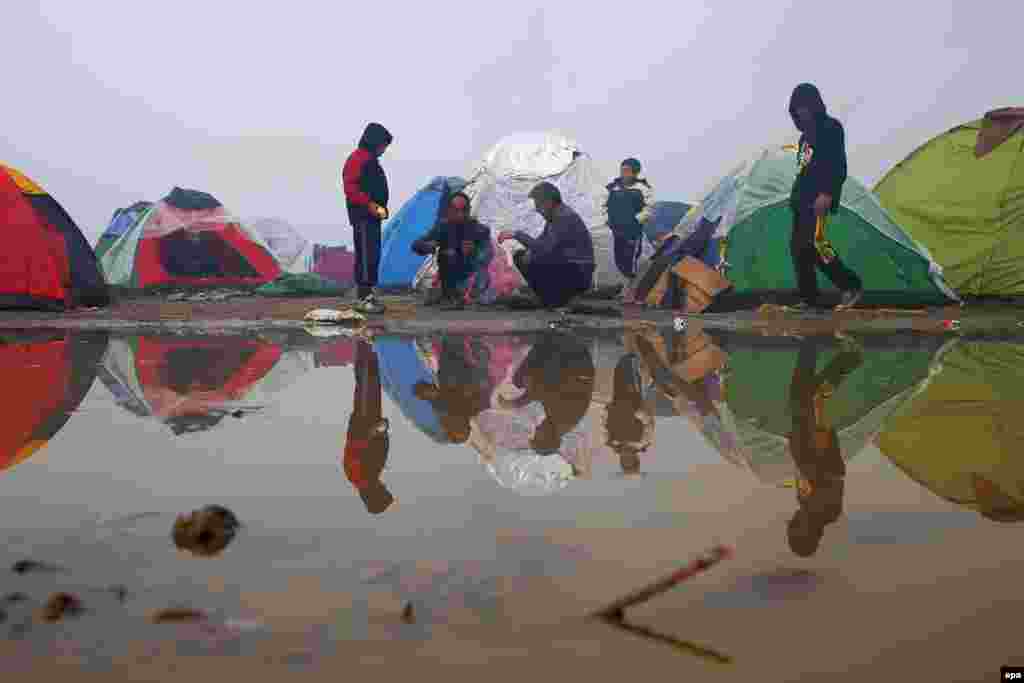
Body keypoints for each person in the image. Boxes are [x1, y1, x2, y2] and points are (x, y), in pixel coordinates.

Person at [785, 333, 863, 556]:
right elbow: (828, 468)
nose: (790, 523)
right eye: (793, 528)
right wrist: (819, 417)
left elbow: (803, 468)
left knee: (801, 390)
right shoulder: (825, 510)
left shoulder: (806, 504)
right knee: (808, 394)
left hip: (802, 432)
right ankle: (840, 351)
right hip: (813, 432)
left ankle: (814, 341)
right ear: (805, 533)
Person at [788, 83, 863, 310]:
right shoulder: (804, 138)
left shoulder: (831, 127)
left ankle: (851, 285)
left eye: (804, 106)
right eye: (797, 107)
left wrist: (828, 194)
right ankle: (809, 298)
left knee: (816, 244)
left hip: (819, 198)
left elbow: (838, 165)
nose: (801, 111)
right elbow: (803, 170)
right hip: (801, 201)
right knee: (798, 248)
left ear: (814, 104)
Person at [497, 182, 595, 310]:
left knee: (527, 258)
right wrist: (530, 251)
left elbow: (544, 249)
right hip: (572, 268)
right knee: (522, 255)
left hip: (576, 272)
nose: (537, 209)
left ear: (548, 202)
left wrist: (516, 234)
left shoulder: (563, 218)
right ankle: (550, 297)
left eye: (538, 204)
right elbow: (542, 242)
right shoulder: (556, 216)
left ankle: (553, 299)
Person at [497, 331, 595, 455]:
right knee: (523, 379)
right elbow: (540, 391)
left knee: (522, 380)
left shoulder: (558, 424)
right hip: (574, 357)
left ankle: (551, 339)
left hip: (572, 364)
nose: (536, 429)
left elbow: (544, 393)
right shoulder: (562, 420)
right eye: (537, 435)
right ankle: (554, 337)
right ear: (546, 438)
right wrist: (515, 404)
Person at [411, 192, 494, 310]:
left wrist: (475, 251)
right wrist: (428, 246)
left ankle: (464, 295)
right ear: (449, 210)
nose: (460, 214)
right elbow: (416, 245)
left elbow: (488, 253)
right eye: (456, 210)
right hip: (451, 277)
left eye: (464, 210)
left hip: (474, 278)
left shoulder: (478, 229)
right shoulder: (442, 227)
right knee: (448, 253)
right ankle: (450, 295)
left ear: (469, 210)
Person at [343, 122, 393, 315]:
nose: (384, 150)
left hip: (372, 215)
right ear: (374, 141)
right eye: (383, 145)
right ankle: (363, 297)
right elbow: (351, 188)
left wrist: (379, 208)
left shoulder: (369, 159)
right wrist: (370, 205)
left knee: (372, 253)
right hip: (363, 214)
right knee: (366, 254)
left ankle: (368, 294)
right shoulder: (358, 159)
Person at [343, 337, 394, 515]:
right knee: (371, 380)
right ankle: (368, 343)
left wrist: (374, 431)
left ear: (375, 494)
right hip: (371, 420)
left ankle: (365, 341)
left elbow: (355, 445)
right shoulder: (370, 477)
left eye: (384, 491)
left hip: (364, 420)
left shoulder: (358, 477)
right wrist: (383, 432)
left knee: (367, 379)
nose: (385, 487)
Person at [605, 158, 655, 283]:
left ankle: (630, 287)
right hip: (615, 230)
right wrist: (607, 220)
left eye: (627, 171)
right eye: (622, 170)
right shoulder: (612, 187)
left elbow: (650, 208)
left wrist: (636, 220)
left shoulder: (643, 188)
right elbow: (602, 205)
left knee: (631, 259)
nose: (623, 173)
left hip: (632, 230)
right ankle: (622, 285)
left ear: (635, 173)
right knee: (618, 258)